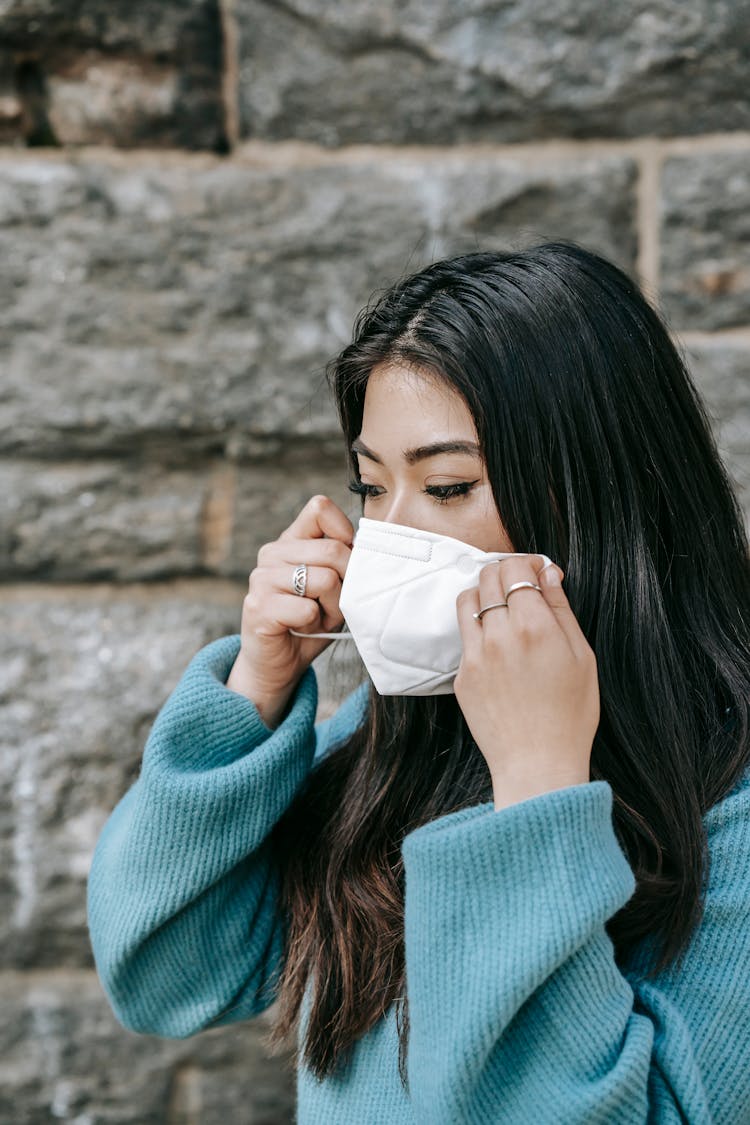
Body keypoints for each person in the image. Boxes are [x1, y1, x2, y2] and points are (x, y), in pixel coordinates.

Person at [87, 241, 750, 1124]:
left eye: (446, 486)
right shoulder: (400, 737)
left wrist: (538, 783)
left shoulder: (729, 803)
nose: (389, 537)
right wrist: (256, 690)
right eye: (371, 485)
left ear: (599, 497)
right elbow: (165, 972)